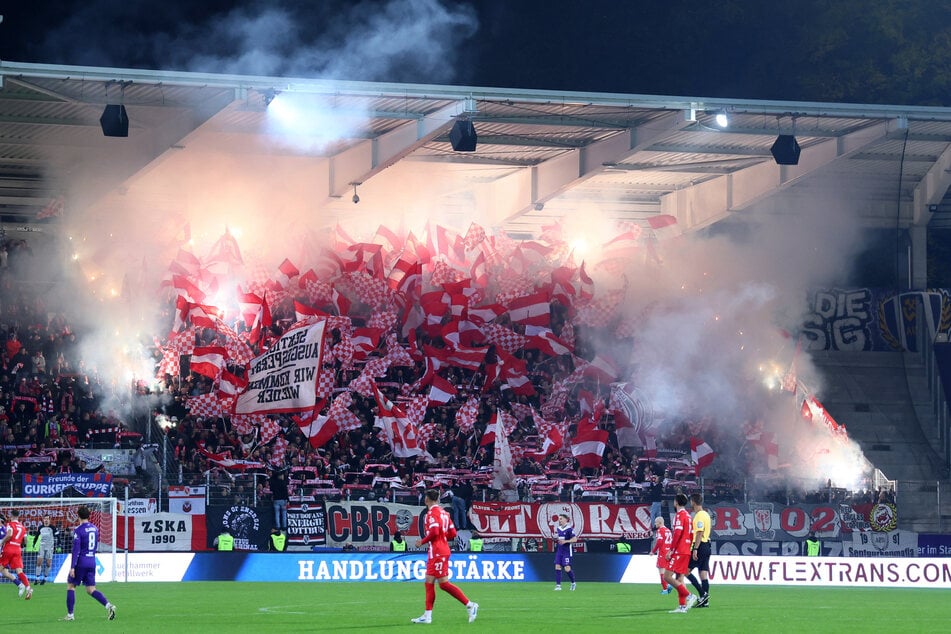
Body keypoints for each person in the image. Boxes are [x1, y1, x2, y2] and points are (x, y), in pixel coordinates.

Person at [411, 488, 479, 624]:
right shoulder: (445, 513)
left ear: (426, 499)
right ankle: (427, 616)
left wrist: (422, 541)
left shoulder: (431, 514)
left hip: (437, 551)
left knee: (443, 584)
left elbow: (435, 531)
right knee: (429, 582)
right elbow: (453, 533)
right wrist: (442, 538)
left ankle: (470, 605)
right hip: (440, 549)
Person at [63, 505, 116, 621]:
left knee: (71, 586)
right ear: (89, 515)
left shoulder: (78, 530)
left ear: (78, 516)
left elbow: (76, 550)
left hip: (81, 561)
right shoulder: (95, 528)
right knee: (91, 589)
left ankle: (70, 615)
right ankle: (109, 606)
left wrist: (72, 567)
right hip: (92, 560)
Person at [664, 493, 697, 613]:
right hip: (686, 550)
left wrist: (671, 550)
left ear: (676, 502)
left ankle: (689, 596)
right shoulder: (688, 516)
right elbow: (692, 534)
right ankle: (682, 607)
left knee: (667, 576)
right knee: (679, 579)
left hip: (679, 551)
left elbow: (677, 533)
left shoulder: (679, 516)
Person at [686, 492, 712, 607]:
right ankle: (705, 602)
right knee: (703, 574)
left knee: (685, 571)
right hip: (707, 546)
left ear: (693, 502)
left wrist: (695, 548)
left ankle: (703, 594)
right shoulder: (706, 514)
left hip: (700, 546)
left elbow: (699, 532)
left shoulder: (699, 516)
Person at [0, 509, 33, 599]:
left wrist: (2, 542)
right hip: (18, 549)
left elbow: (10, 534)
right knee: (19, 571)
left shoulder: (10, 524)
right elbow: (25, 541)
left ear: (11, 516)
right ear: (18, 516)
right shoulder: (23, 527)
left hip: (8, 548)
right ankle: (28, 588)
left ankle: (21, 585)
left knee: (1, 568)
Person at [553, 513, 578, 591]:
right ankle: (558, 586)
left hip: (567, 551)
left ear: (565, 519)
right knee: (557, 566)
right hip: (559, 551)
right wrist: (555, 538)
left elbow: (575, 539)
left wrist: (565, 541)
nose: (559, 520)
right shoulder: (558, 529)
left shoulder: (569, 529)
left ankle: (573, 583)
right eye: (559, 519)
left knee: (567, 568)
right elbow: (558, 539)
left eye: (561, 519)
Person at [651, 516, 673, 594]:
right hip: (669, 553)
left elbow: (659, 542)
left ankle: (665, 589)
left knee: (661, 571)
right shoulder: (668, 530)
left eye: (655, 522)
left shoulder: (660, 530)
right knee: (667, 571)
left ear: (659, 523)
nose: (655, 524)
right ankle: (669, 585)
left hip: (663, 553)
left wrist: (653, 551)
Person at [35, 515, 58, 585]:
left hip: (50, 547)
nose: (46, 520)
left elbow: (58, 536)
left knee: (48, 564)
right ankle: (37, 579)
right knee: (39, 562)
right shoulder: (40, 527)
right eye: (45, 519)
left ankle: (45, 579)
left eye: (47, 519)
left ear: (49, 520)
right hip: (42, 546)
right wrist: (34, 543)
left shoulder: (53, 528)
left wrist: (59, 544)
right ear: (43, 520)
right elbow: (36, 536)